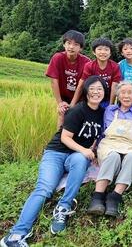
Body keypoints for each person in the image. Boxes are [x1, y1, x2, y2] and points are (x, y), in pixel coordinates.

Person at [1, 76, 106, 247]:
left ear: (104, 92)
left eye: (100, 89)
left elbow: (96, 137)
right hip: (56, 153)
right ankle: (16, 234)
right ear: (86, 91)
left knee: (80, 159)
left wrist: (92, 150)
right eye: (92, 88)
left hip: (75, 157)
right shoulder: (78, 110)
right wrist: (85, 150)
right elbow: (64, 137)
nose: (96, 92)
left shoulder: (103, 113)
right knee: (44, 189)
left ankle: (63, 208)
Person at [87, 81, 132, 217]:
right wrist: (95, 150)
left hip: (130, 144)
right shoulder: (110, 110)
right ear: (118, 96)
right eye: (123, 93)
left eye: (130, 93)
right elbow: (101, 131)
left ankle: (114, 196)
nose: (126, 96)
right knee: (113, 155)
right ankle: (98, 196)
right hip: (109, 143)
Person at [45, 30, 90, 128]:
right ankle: (58, 140)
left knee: (77, 119)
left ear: (81, 48)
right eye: (68, 43)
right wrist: (60, 103)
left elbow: (82, 85)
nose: (71, 47)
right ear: (64, 44)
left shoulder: (86, 62)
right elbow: (54, 81)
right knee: (62, 115)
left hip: (80, 98)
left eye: (76, 44)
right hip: (64, 96)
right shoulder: (57, 58)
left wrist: (73, 104)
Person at [70, 38, 122, 108]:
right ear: (94, 52)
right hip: (91, 99)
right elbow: (81, 85)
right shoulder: (89, 66)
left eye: (106, 49)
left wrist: (111, 105)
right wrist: (72, 104)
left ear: (110, 53)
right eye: (99, 49)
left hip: (106, 100)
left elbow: (114, 87)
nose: (103, 52)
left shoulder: (115, 66)